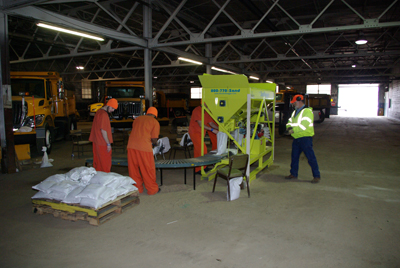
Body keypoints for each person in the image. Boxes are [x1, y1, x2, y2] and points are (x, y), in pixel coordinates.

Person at [285, 94, 321, 183]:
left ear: (299, 100)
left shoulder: (307, 112)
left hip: (305, 138)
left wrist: (292, 131)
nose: (293, 104)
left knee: (310, 158)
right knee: (294, 157)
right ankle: (293, 173)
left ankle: (316, 176)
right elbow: (289, 122)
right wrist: (288, 128)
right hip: (297, 138)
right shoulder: (295, 112)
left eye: (294, 102)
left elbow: (303, 126)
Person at [127, 107, 160, 195]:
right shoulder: (154, 122)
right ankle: (152, 189)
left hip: (131, 146)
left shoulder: (137, 119)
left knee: (133, 169)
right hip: (144, 148)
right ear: (155, 115)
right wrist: (156, 144)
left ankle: (137, 188)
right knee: (148, 169)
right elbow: (154, 138)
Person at [188, 101, 219, 175]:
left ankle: (202, 167)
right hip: (194, 133)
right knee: (203, 150)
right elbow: (200, 124)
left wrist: (220, 128)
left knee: (198, 150)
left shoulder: (207, 112)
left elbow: (211, 123)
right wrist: (212, 130)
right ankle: (199, 169)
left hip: (201, 133)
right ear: (204, 103)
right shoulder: (197, 110)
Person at [89, 98, 118, 173]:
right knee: (105, 164)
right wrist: (108, 143)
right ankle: (105, 179)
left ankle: (98, 180)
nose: (112, 110)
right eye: (112, 108)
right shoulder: (104, 115)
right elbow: (103, 130)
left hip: (96, 141)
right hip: (102, 143)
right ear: (108, 105)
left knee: (98, 163)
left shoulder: (99, 112)